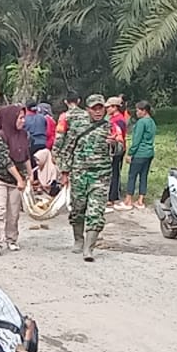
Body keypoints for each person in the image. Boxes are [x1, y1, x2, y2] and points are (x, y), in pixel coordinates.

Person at [56, 95, 114, 260]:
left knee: (96, 211)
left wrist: (114, 145)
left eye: (100, 108)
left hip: (101, 176)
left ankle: (89, 248)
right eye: (94, 108)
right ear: (87, 109)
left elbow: (119, 149)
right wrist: (65, 172)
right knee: (78, 208)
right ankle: (78, 240)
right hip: (79, 174)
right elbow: (67, 149)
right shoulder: (77, 126)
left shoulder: (109, 127)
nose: (97, 112)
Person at [0, 105, 30, 256]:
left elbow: (25, 157)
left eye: (24, 117)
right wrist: (20, 179)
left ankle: (11, 239)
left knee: (14, 213)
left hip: (16, 181)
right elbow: (6, 160)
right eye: (20, 118)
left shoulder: (24, 135)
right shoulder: (1, 136)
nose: (23, 121)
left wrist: (30, 176)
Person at [124, 100, 156, 208]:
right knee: (144, 176)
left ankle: (128, 200)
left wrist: (130, 153)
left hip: (139, 153)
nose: (136, 113)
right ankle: (140, 200)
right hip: (149, 152)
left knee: (132, 175)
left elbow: (136, 140)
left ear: (144, 111)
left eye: (138, 110)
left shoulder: (141, 122)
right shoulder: (151, 121)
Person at [105, 96, 129, 210]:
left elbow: (119, 136)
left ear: (115, 107)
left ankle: (113, 197)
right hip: (113, 148)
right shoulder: (113, 118)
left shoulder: (118, 120)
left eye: (109, 107)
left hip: (117, 149)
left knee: (115, 172)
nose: (107, 109)